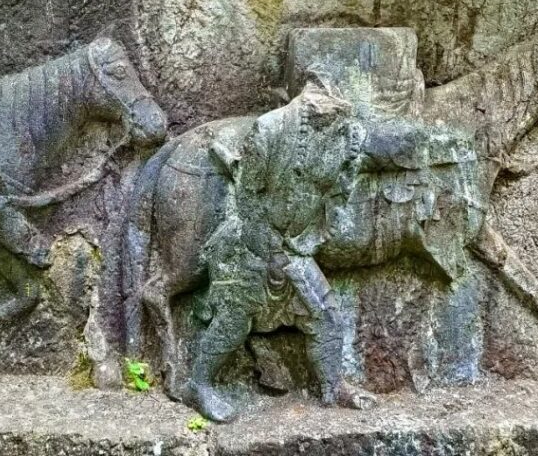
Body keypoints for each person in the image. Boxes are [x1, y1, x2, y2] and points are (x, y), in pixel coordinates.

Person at [185, 74, 433, 422]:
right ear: (306, 104)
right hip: (250, 245)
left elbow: (349, 178)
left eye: (335, 115)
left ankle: (333, 386)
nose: (330, 119)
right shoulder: (269, 130)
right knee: (234, 320)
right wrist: (268, 249)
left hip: (296, 247)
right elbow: (247, 197)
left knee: (324, 313)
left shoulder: (345, 135)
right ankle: (198, 383)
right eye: (322, 114)